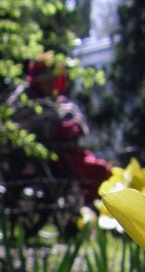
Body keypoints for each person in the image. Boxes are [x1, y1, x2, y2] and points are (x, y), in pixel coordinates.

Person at [12, 55, 112, 200]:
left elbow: (80, 128)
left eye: (54, 78)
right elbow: (20, 124)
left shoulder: (62, 103)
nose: (51, 82)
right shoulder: (26, 100)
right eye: (47, 78)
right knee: (90, 171)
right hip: (47, 156)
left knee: (102, 170)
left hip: (70, 153)